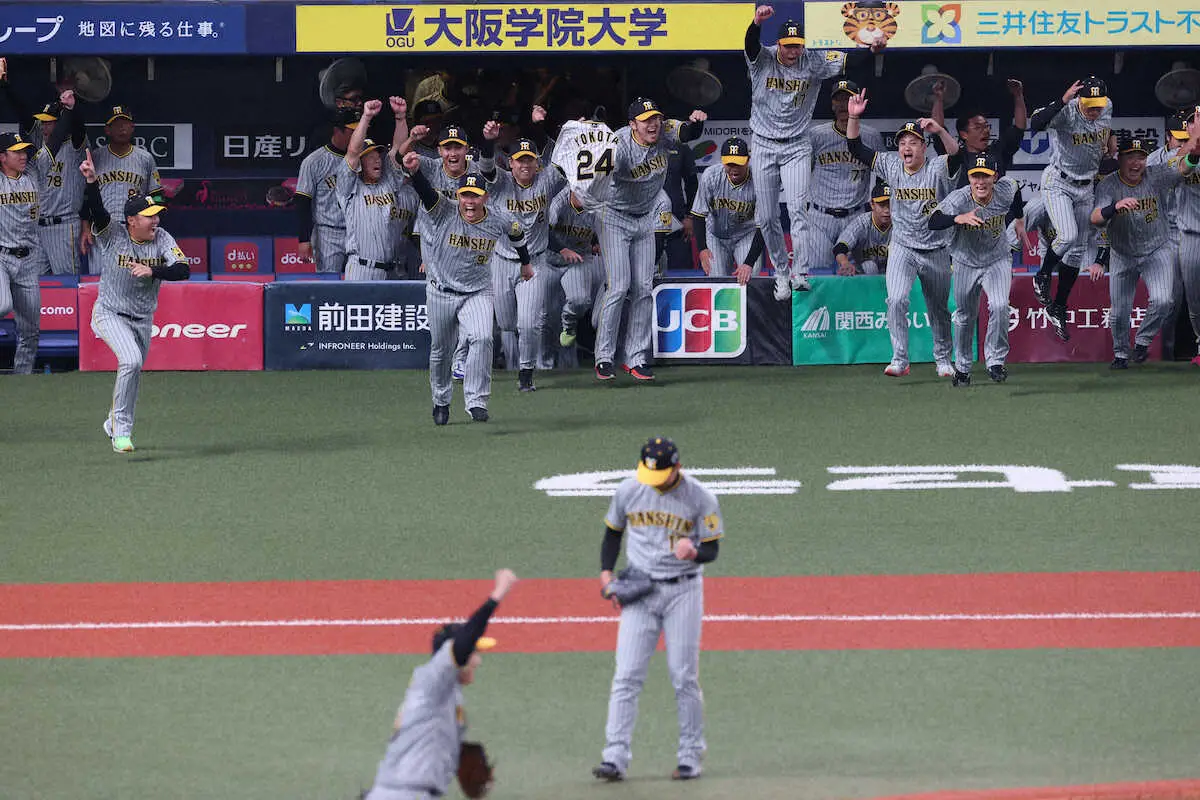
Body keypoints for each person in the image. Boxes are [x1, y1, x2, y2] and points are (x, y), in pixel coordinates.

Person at [593, 437, 724, 783]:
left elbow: (712, 549)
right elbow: (612, 534)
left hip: (684, 592)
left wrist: (693, 551)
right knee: (626, 675)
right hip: (640, 591)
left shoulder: (701, 498)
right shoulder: (629, 489)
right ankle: (614, 757)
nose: (653, 482)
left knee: (684, 677)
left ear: (677, 467)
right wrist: (606, 572)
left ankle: (690, 757)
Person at [744, 6, 886, 301]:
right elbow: (750, 45)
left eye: (798, 45)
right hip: (764, 143)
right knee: (768, 217)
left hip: (796, 143)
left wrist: (870, 50)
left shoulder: (813, 61)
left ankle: (800, 272)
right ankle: (782, 273)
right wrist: (756, 23)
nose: (793, 52)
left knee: (797, 209)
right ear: (779, 44)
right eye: (788, 46)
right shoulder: (763, 58)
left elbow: (847, 60)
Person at [362, 569, 518, 800]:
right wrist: (498, 593)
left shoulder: (448, 694)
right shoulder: (432, 678)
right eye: (475, 653)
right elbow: (463, 644)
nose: (478, 660)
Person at [400, 151, 531, 425]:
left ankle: (476, 401)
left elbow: (517, 233)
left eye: (475, 195)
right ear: (458, 196)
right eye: (465, 195)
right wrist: (415, 173)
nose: (469, 201)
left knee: (483, 338)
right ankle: (441, 400)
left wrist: (525, 263)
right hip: (441, 291)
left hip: (477, 291)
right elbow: (426, 193)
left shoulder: (498, 219)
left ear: (486, 197)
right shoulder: (444, 210)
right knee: (441, 351)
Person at [79, 150, 190, 452]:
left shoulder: (163, 237)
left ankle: (113, 420)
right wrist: (91, 182)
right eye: (149, 216)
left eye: (157, 215)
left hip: (142, 319)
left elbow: (183, 270)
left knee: (134, 368)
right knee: (130, 360)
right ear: (131, 220)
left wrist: (152, 270)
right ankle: (121, 432)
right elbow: (98, 211)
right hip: (110, 313)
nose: (155, 220)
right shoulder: (113, 234)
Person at [846, 90, 961, 378]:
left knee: (938, 309)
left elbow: (957, 155)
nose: (906, 147)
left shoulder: (937, 167)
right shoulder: (891, 164)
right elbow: (856, 148)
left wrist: (940, 131)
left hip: (936, 249)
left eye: (913, 142)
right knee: (896, 300)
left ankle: (944, 359)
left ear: (924, 147)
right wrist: (853, 117)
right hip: (903, 248)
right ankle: (900, 359)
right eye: (902, 143)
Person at [592, 98, 706, 383]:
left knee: (644, 287)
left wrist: (697, 122)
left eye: (655, 117)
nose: (653, 123)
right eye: (645, 120)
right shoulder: (618, 144)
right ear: (632, 125)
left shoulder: (664, 130)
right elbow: (595, 176)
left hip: (646, 215)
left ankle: (636, 358)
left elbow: (689, 134)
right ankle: (604, 357)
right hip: (614, 216)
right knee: (618, 286)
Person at [1091, 133, 1199, 369]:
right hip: (1122, 254)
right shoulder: (1109, 184)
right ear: (1120, 159)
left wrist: (1194, 156)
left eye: (1141, 157)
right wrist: (1114, 207)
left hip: (1156, 250)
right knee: (1120, 312)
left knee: (1164, 301)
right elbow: (1096, 218)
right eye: (1130, 157)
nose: (1136, 162)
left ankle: (1142, 341)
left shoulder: (1156, 175)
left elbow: (1182, 169)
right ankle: (1120, 354)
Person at [478, 129, 567, 391]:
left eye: (530, 159)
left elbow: (567, 158)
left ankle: (526, 372)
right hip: (502, 260)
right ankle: (507, 361)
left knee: (528, 323)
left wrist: (566, 130)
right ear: (511, 162)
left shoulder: (546, 179)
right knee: (506, 323)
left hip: (535, 263)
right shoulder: (500, 181)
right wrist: (489, 141)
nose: (525, 164)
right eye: (520, 160)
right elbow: (485, 165)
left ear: (537, 162)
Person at [1027, 77, 1113, 337]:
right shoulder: (1066, 112)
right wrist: (1063, 99)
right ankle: (1042, 275)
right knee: (1067, 236)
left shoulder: (1108, 105)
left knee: (1075, 252)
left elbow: (1107, 126)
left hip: (1085, 186)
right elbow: (1035, 123)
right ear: (1079, 100)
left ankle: (1059, 306)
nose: (1095, 110)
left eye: (1098, 105)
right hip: (1059, 182)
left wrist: (1109, 143)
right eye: (1090, 105)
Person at [929, 154, 1019, 384]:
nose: (980, 181)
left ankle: (995, 361)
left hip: (997, 259)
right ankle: (962, 368)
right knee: (964, 317)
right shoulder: (959, 199)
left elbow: (1015, 189)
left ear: (994, 178)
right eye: (975, 176)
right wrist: (958, 218)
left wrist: (1019, 218)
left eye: (985, 176)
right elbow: (933, 220)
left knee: (1000, 306)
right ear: (969, 178)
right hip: (965, 261)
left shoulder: (1004, 190)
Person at [804, 79, 884, 274]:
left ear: (857, 101)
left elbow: (883, 177)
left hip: (856, 216)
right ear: (832, 104)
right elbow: (801, 173)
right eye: (838, 99)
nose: (842, 104)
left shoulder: (871, 136)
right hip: (819, 217)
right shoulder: (817, 135)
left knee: (864, 271)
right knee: (817, 272)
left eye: (848, 98)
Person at [338, 98, 420, 280]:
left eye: (378, 155)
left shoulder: (388, 182)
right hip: (362, 268)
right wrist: (366, 117)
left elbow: (398, 149)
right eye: (369, 157)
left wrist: (400, 118)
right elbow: (352, 152)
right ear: (360, 162)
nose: (376, 160)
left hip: (393, 271)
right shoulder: (349, 188)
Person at [0, 130, 56, 374]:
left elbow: (54, 141)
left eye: (24, 151)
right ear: (2, 157)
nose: (23, 156)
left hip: (28, 259)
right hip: (1, 256)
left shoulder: (32, 173)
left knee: (31, 328)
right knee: (2, 305)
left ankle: (22, 379)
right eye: (16, 152)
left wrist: (65, 109)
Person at [81, 105, 163, 262]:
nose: (121, 129)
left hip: (134, 228)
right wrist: (85, 227)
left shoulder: (145, 158)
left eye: (125, 124)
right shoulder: (96, 157)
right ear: (107, 130)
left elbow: (157, 195)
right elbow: (86, 196)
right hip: (102, 227)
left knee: (133, 279)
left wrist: (152, 221)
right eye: (116, 125)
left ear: (132, 128)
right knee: (100, 281)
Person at [690, 137, 762, 283]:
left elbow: (764, 225)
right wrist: (702, 249)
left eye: (739, 163)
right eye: (729, 163)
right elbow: (698, 214)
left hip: (746, 235)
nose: (734, 168)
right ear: (723, 161)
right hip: (716, 236)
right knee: (717, 282)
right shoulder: (710, 176)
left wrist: (748, 263)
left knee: (750, 277)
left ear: (747, 161)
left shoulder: (759, 180)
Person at [295, 108, 359, 273]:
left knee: (360, 283)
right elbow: (303, 202)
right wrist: (304, 239)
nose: (358, 136)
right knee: (330, 285)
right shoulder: (314, 161)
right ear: (337, 130)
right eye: (353, 131)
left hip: (358, 231)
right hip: (328, 233)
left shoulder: (365, 158)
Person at [548, 189, 603, 348]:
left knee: (580, 301)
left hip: (579, 258)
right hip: (549, 259)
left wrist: (598, 242)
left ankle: (569, 325)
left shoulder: (599, 204)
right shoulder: (559, 201)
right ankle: (542, 364)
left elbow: (605, 229)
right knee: (544, 315)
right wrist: (562, 249)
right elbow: (544, 231)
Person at [833, 180, 891, 275]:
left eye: (890, 205)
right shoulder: (862, 222)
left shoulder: (900, 222)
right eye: (882, 205)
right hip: (863, 273)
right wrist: (844, 263)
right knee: (870, 266)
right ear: (872, 204)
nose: (887, 210)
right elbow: (840, 247)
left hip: (891, 273)